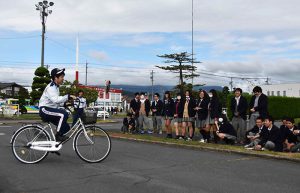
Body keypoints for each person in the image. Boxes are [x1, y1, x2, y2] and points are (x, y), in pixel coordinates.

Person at [39, 68, 76, 142]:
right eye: (61, 77)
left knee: (65, 127)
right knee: (63, 114)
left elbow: (56, 102)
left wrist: (65, 103)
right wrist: (67, 96)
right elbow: (56, 100)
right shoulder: (51, 87)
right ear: (56, 77)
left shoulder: (56, 87)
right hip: (44, 109)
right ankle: (58, 136)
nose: (63, 79)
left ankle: (54, 144)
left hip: (50, 108)